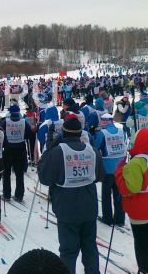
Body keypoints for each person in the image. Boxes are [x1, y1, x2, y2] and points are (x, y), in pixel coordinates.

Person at [38, 117, 104, 274]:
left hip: (67, 210)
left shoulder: (57, 152)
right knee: (90, 249)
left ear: (63, 133)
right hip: (89, 207)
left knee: (68, 251)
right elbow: (100, 175)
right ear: (80, 133)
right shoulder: (92, 150)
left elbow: (45, 178)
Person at [115, 128, 148, 274]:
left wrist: (119, 171)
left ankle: (145, 270)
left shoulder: (136, 163)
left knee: (143, 245)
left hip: (142, 211)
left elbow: (127, 189)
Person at [94, 113, 126, 226]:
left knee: (106, 194)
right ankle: (120, 219)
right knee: (119, 194)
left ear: (103, 121)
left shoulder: (103, 133)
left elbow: (96, 146)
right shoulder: (121, 131)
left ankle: (107, 218)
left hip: (108, 167)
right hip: (120, 166)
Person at [1, 105, 31, 202]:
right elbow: (29, 134)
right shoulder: (24, 122)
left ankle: (6, 194)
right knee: (19, 173)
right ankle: (19, 195)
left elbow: (0, 133)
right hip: (20, 148)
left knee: (6, 173)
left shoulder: (5, 122)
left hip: (8, 149)